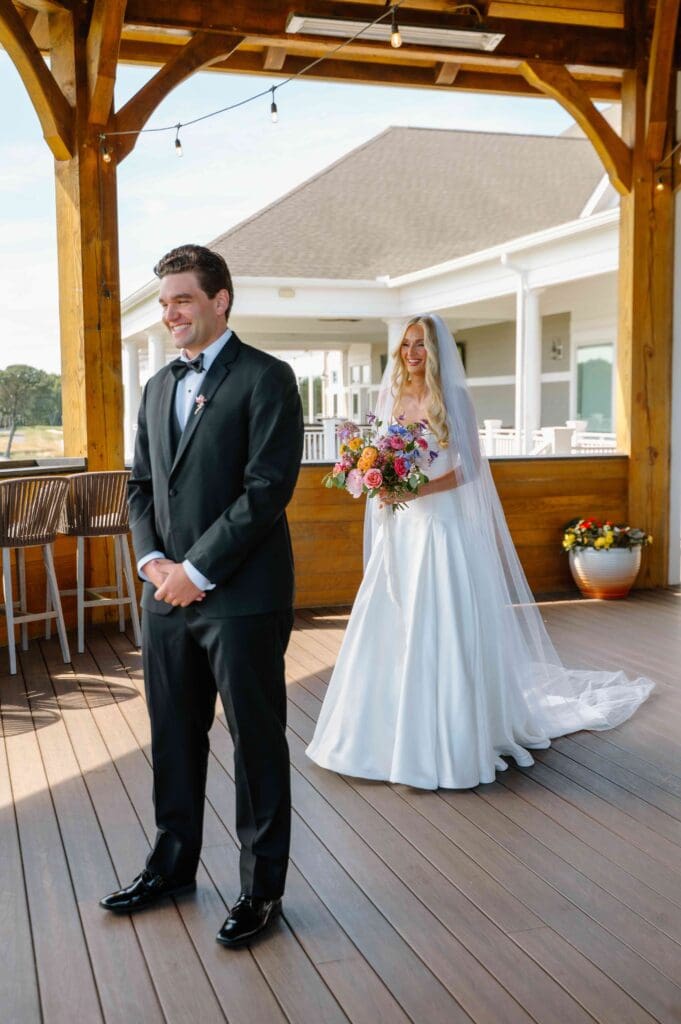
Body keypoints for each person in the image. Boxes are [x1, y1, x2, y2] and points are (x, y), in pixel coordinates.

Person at [306, 314, 654, 789]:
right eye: (407, 344)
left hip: (439, 528)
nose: (412, 353)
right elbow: (380, 456)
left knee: (441, 623)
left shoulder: (455, 400)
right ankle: (378, 739)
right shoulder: (390, 398)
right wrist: (378, 479)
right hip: (401, 531)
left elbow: (470, 469)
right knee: (389, 619)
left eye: (421, 345)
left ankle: (447, 742)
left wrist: (417, 490)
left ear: (437, 352)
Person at [100, 245, 304, 947]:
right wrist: (155, 561)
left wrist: (199, 569)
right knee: (174, 737)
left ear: (221, 300)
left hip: (242, 598)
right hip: (166, 598)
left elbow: (267, 489)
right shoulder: (157, 388)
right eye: (163, 303)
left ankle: (260, 890)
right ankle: (171, 866)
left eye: (181, 300)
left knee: (255, 745)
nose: (170, 314)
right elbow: (140, 487)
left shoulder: (268, 379)